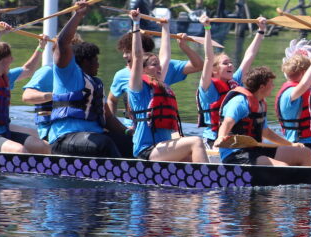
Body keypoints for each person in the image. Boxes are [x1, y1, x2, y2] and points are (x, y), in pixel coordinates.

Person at [48, 1, 129, 157]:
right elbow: (62, 43)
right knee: (104, 143)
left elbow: (109, 118)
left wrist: (128, 132)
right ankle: (122, 176)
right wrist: (78, 15)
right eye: (95, 60)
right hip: (65, 138)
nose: (98, 64)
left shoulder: (96, 84)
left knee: (128, 141)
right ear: (85, 61)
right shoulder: (68, 74)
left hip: (93, 136)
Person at [127, 10, 207, 163]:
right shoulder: (137, 87)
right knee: (196, 142)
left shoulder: (160, 83)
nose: (160, 67)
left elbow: (165, 55)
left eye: (159, 65)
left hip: (163, 148)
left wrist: (165, 27)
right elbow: (137, 56)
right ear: (143, 69)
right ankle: (211, 183)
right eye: (154, 65)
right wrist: (136, 23)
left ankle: (197, 182)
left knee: (191, 158)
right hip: (147, 149)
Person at [0, 18, 49, 154]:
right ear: (4, 59)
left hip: (4, 131)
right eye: (10, 57)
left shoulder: (6, 76)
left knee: (43, 146)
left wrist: (41, 47)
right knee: (20, 150)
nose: (13, 60)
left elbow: (28, 69)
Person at [215, 66, 311, 166]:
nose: (273, 86)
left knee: (305, 153)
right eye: (271, 84)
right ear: (262, 87)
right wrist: (221, 137)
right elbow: (227, 122)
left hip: (256, 149)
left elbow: (266, 133)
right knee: (283, 167)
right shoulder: (240, 102)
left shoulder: (260, 104)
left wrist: (290, 144)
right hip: (236, 154)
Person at [106, 20, 203, 121]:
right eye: (124, 52)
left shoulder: (158, 69)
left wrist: (184, 46)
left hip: (160, 127)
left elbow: (198, 65)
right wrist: (112, 123)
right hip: (135, 128)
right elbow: (111, 100)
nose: (124, 56)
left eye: (128, 51)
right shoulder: (123, 75)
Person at [196, 15, 268, 148]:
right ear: (215, 70)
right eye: (225, 63)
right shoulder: (207, 86)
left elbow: (249, 56)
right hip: (213, 139)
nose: (230, 65)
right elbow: (208, 58)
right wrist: (207, 28)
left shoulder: (235, 81)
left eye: (230, 62)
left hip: (234, 137)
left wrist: (261, 30)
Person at [275, 40, 311, 149]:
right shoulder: (291, 92)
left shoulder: (297, 88)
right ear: (304, 73)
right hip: (300, 143)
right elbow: (305, 82)